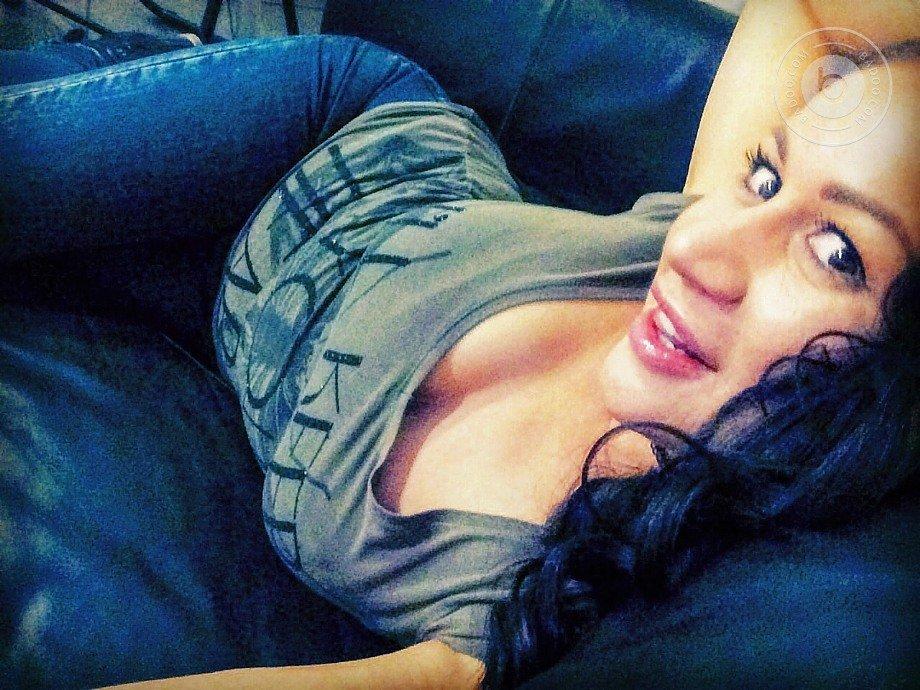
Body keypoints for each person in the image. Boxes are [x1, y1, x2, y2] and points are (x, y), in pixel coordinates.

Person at [1, 1, 916, 688]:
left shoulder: (556, 597)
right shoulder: (704, 240)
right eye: (765, 175)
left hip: (204, 296)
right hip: (335, 123)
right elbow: (804, 8)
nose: (696, 249)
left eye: (836, 252)